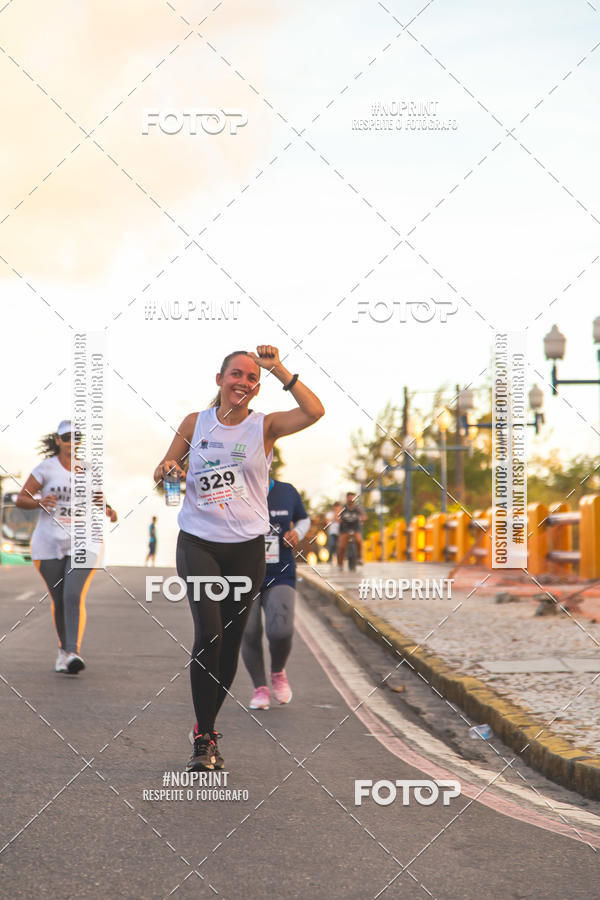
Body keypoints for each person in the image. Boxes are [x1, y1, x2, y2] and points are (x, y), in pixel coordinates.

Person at [153, 346, 324, 772]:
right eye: (236, 375)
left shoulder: (264, 427)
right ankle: (204, 740)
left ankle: (206, 727)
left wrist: (279, 368)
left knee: (229, 643)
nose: (243, 383)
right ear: (219, 379)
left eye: (251, 378)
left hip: (247, 549)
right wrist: (169, 468)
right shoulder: (197, 423)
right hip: (199, 542)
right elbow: (164, 470)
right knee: (208, 634)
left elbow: (315, 411)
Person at [15, 420, 118, 674]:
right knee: (59, 598)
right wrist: (39, 501)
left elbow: (99, 500)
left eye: (77, 437)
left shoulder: (89, 469)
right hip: (49, 541)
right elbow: (21, 499)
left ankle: (72, 651)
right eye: (68, 437)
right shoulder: (46, 469)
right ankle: (63, 650)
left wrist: (108, 509)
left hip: (85, 539)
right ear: (59, 441)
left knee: (73, 594)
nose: (73, 441)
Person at [241, 476, 311, 709]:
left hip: (280, 571)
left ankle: (278, 670)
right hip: (243, 573)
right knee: (249, 632)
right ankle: (259, 688)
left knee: (280, 630)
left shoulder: (286, 491)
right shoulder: (236, 490)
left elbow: (303, 519)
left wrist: (297, 534)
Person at [336, 492, 365, 569]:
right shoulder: (343, 508)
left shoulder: (358, 508)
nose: (351, 499)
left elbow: (363, 516)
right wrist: (338, 519)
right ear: (346, 498)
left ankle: (359, 557)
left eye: (352, 497)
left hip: (355, 529)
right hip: (344, 530)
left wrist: (363, 519)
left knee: (359, 541)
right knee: (341, 547)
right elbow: (337, 516)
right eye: (349, 497)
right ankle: (340, 564)